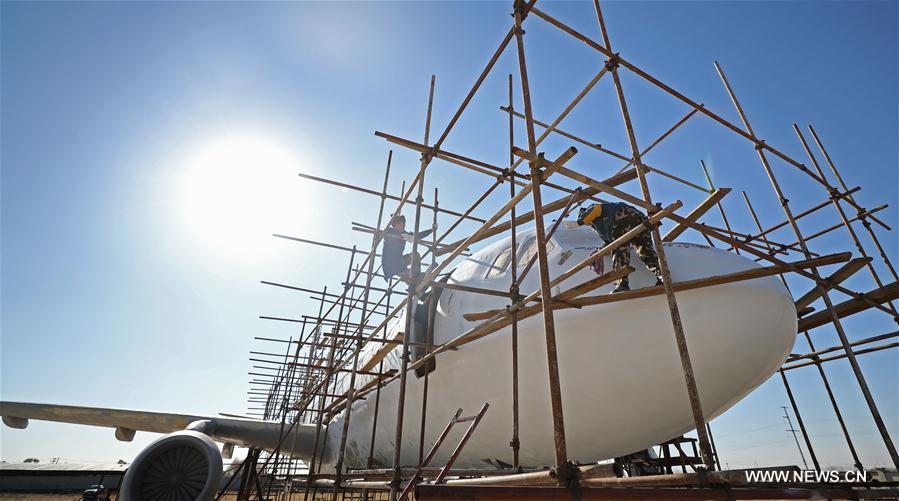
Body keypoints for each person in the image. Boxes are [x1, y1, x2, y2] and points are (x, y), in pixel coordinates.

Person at [577, 202, 663, 293]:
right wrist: (602, 249)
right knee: (644, 251)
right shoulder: (600, 226)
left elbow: (595, 209)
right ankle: (662, 276)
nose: (588, 224)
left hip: (621, 215)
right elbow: (607, 241)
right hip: (638, 218)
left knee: (619, 249)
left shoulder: (594, 210)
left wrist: (580, 221)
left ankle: (622, 284)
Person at [381, 214, 432, 283]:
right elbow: (386, 235)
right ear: (395, 225)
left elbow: (417, 236)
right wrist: (400, 236)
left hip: (400, 261)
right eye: (401, 225)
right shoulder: (390, 231)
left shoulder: (404, 233)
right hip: (391, 265)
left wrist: (431, 230)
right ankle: (412, 279)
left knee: (415, 255)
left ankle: (415, 276)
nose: (403, 227)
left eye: (404, 225)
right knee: (410, 277)